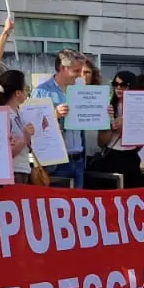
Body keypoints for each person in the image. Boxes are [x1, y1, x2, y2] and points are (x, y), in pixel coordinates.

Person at [32, 49, 88, 188]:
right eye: (76, 70)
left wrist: (102, 112)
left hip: (79, 159)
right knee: (58, 207)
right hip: (56, 163)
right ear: (63, 68)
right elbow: (32, 126)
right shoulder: (41, 91)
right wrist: (54, 115)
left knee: (79, 207)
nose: (80, 75)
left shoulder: (81, 90)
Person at [90, 70, 144, 188]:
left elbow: (140, 143)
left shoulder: (140, 107)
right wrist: (111, 127)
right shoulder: (109, 107)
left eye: (123, 85)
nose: (119, 88)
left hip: (132, 155)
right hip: (113, 155)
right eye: (115, 84)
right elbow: (101, 142)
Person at [0, 70, 36, 183]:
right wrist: (25, 139)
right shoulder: (4, 116)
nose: (27, 91)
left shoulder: (19, 113)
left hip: (23, 170)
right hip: (13, 173)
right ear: (17, 93)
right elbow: (5, 152)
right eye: (25, 88)